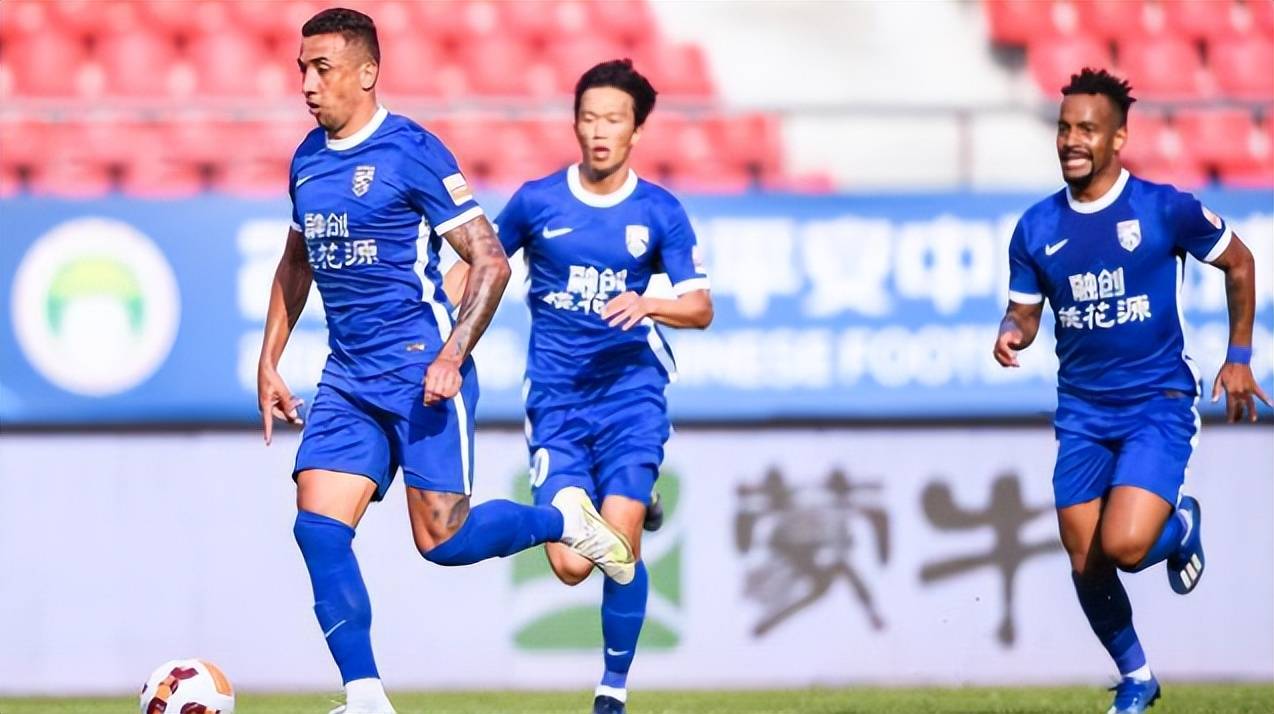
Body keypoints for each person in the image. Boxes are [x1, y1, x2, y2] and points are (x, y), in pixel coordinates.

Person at [257, 10, 636, 713]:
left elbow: (490, 261)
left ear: (367, 73)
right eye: (302, 68)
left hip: (422, 373)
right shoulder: (307, 160)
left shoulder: (413, 152)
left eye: (322, 68)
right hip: (348, 378)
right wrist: (269, 359)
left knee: (443, 540)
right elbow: (296, 262)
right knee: (317, 528)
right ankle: (366, 696)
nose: (307, 84)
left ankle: (563, 521)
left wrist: (452, 354)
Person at [993, 68, 1268, 714]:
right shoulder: (1035, 227)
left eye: (1087, 129)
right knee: (1085, 557)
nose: (1071, 140)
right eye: (1064, 128)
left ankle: (1181, 522)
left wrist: (1239, 357)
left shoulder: (1163, 209)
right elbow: (1025, 312)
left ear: (1118, 138)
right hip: (1081, 412)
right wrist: (1011, 332)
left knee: (1124, 545)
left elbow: (1240, 262)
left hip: (1156, 404)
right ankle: (1137, 678)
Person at [446, 59, 712, 714]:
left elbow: (700, 307)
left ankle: (611, 691)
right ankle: (626, 503)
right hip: (557, 402)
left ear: (636, 131)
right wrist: (438, 311)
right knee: (569, 566)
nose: (599, 131)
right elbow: (483, 264)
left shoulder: (659, 211)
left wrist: (649, 303)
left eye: (613, 120)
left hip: (630, 399)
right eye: (589, 118)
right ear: (574, 124)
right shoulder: (537, 202)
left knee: (619, 549)